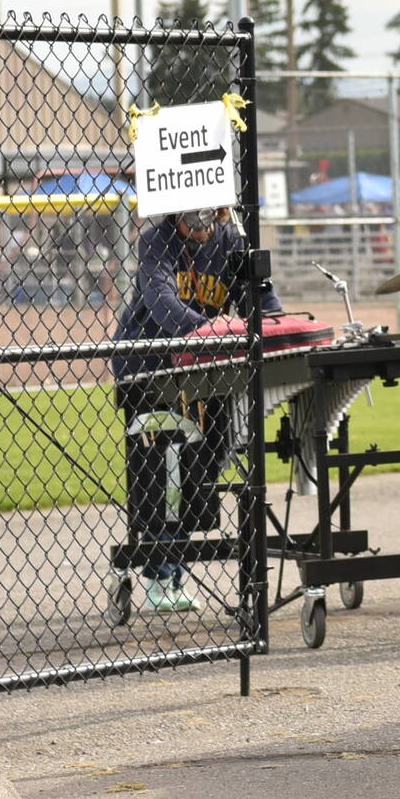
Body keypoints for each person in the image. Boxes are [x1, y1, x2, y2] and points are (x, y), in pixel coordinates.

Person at [111, 205, 281, 613]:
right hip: (149, 367)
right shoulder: (156, 240)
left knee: (201, 469)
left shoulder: (233, 239)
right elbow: (161, 300)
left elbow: (263, 298)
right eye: (192, 221)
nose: (202, 230)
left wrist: (275, 328)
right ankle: (159, 573)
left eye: (208, 219)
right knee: (161, 470)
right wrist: (214, 332)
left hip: (208, 366)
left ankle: (173, 563)